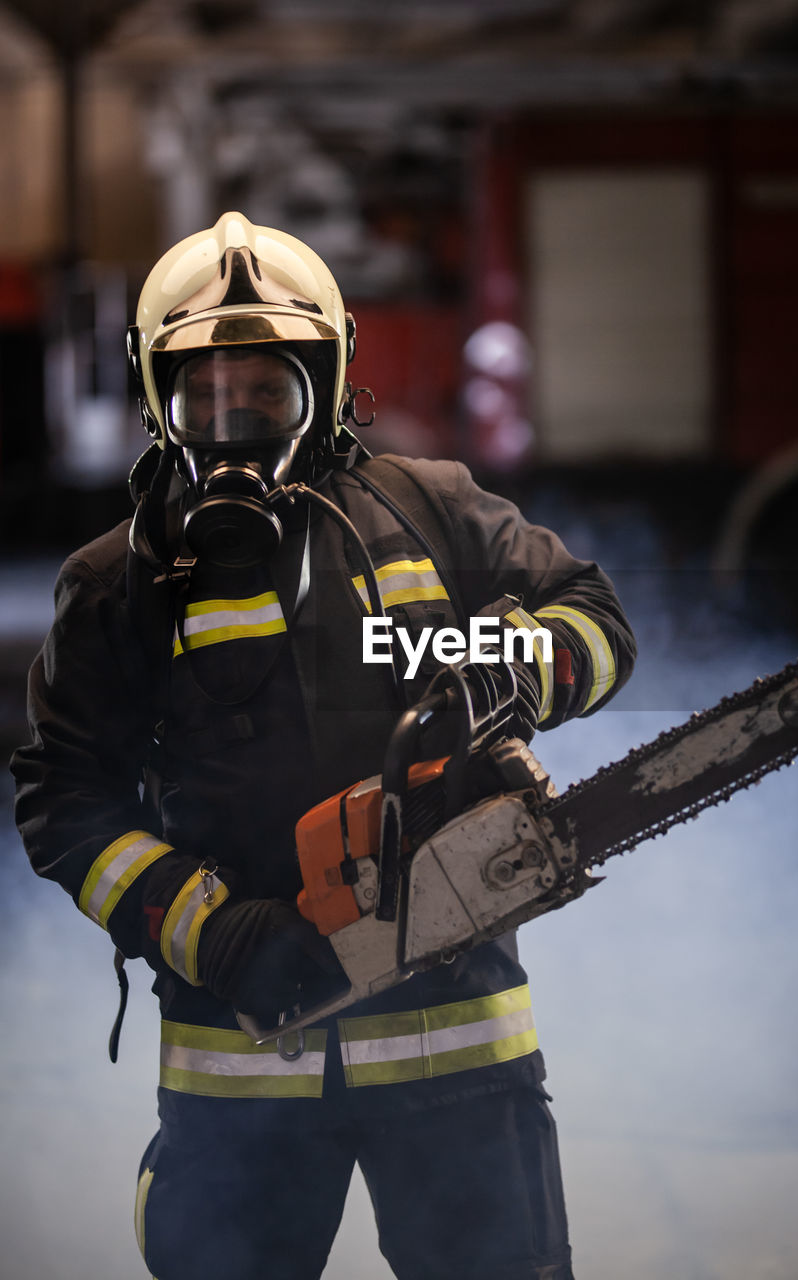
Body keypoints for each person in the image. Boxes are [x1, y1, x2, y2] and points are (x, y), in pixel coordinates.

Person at [11, 211, 636, 1280]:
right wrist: (206, 927)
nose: (237, 416)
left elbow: (597, 618)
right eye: (206, 391)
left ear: (330, 377)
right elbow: (63, 797)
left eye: (269, 385)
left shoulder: (438, 513)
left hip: (461, 1056)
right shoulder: (118, 583)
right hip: (238, 1057)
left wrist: (519, 660)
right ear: (159, 399)